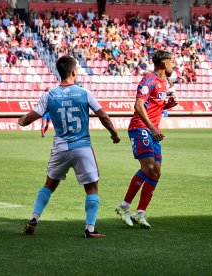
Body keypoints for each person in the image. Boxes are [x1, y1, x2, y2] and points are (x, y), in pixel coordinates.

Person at [18, 55, 121, 238]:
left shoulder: (49, 95)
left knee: (50, 184)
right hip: (82, 147)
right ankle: (90, 229)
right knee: (92, 188)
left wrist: (22, 121)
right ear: (73, 72)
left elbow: (28, 119)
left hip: (60, 148)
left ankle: (34, 218)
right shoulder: (84, 93)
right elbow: (103, 116)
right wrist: (114, 134)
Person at [115, 50, 178, 229]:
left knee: (156, 171)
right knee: (149, 167)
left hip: (153, 131)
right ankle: (124, 206)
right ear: (164, 63)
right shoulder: (148, 80)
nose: (174, 65)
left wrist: (167, 105)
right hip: (141, 128)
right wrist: (152, 128)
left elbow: (153, 106)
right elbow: (138, 105)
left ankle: (140, 212)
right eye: (172, 62)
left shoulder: (163, 83)